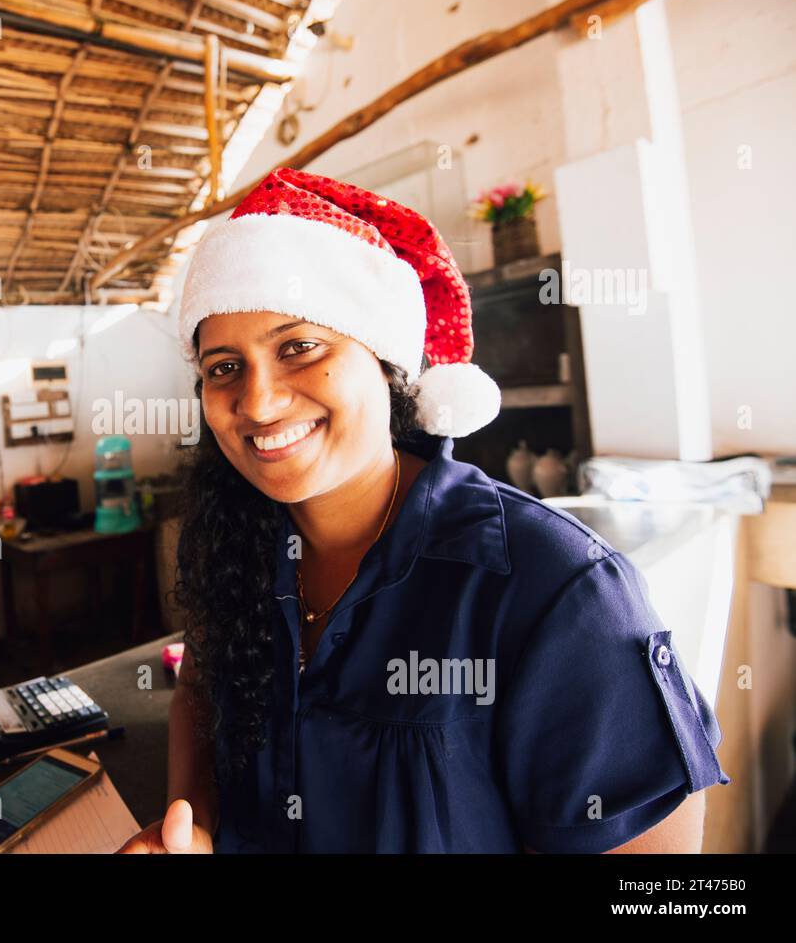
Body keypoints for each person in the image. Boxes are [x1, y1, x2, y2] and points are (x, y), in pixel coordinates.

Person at [118, 167, 728, 853]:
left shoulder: (554, 589)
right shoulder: (238, 543)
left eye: (299, 347)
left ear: (385, 363)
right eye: (224, 367)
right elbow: (201, 688)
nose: (257, 402)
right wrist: (192, 821)